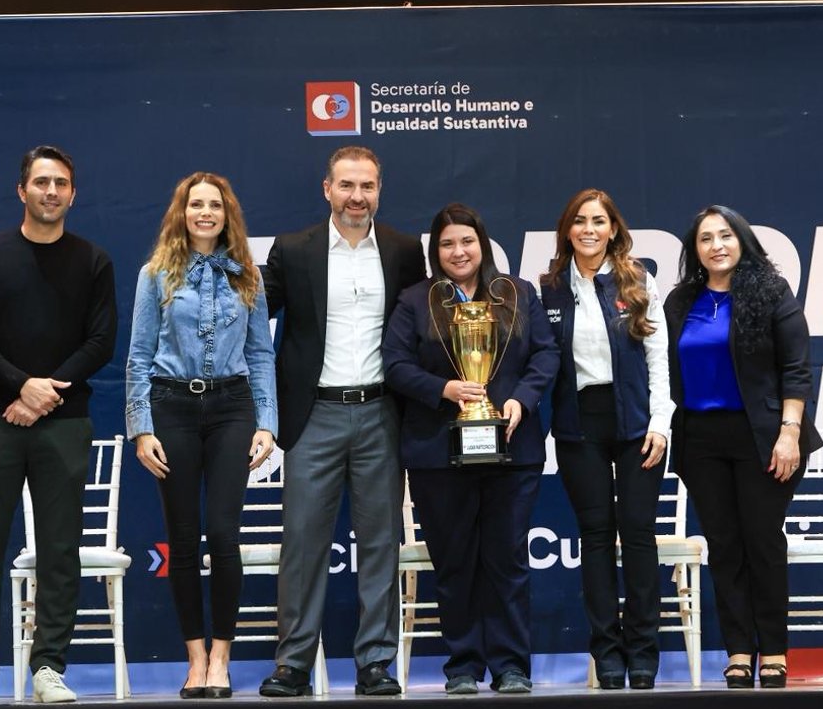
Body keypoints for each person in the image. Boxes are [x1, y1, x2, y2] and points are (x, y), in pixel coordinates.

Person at [257, 146, 426, 697]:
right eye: (347, 186)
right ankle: (294, 665)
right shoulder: (294, 249)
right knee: (303, 544)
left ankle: (375, 662)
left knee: (380, 541)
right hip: (314, 415)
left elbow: (420, 331)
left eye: (368, 186)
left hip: (381, 412)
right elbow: (255, 324)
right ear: (326, 188)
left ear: (380, 189)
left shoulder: (403, 250)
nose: (358, 197)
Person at [0, 145, 117, 704]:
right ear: (21, 190)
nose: (52, 192)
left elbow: (100, 342)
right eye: (42, 182)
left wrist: (43, 395)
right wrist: (22, 385)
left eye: (62, 183)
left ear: (73, 193)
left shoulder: (93, 261)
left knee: (60, 545)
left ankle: (49, 666)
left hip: (64, 423)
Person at [382, 202, 559, 695]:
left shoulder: (517, 294)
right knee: (455, 562)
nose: (458, 252)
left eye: (466, 241)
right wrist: (445, 390)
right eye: (446, 244)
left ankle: (509, 666)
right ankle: (462, 665)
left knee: (506, 560)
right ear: (434, 251)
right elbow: (394, 365)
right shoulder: (415, 301)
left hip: (511, 447)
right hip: (439, 452)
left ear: (483, 244)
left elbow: (546, 353)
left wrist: (522, 399)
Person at [125, 172, 277, 699]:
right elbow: (139, 357)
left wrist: (267, 422)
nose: (205, 213)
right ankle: (194, 658)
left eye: (215, 204)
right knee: (184, 538)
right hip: (171, 406)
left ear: (226, 213)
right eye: (196, 204)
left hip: (232, 407)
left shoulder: (247, 276)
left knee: (225, 533)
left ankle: (222, 657)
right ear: (182, 213)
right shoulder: (156, 274)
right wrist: (141, 429)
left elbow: (260, 355)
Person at [663, 205, 822, 689]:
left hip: (763, 437)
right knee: (725, 548)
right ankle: (737, 651)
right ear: (695, 250)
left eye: (725, 235)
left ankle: (773, 650)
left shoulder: (771, 292)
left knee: (763, 543)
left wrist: (789, 432)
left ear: (742, 240)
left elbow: (796, 367)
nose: (717, 245)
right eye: (706, 238)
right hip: (702, 440)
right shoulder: (680, 300)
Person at [538, 189, 673, 690]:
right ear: (567, 230)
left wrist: (661, 423)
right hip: (579, 425)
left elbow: (658, 359)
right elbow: (541, 364)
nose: (589, 229)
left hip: (638, 423)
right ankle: (608, 654)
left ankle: (643, 652)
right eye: (579, 221)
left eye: (598, 220)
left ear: (613, 228)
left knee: (637, 535)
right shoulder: (548, 288)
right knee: (595, 539)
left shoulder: (638, 281)